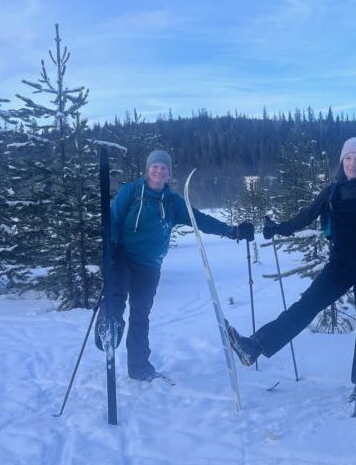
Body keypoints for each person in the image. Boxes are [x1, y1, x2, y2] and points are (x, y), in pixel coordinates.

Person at [226, 137, 356, 398]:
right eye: (348, 158)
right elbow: (305, 216)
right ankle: (254, 346)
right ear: (342, 161)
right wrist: (278, 228)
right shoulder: (331, 192)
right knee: (305, 307)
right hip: (339, 266)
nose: (352, 163)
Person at [96, 150, 254, 381]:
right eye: (155, 167)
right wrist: (110, 249)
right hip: (122, 255)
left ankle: (139, 367)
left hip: (149, 264)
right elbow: (114, 220)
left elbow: (200, 219)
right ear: (147, 169)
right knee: (116, 294)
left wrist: (232, 231)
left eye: (164, 168)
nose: (159, 171)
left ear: (169, 173)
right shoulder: (131, 192)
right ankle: (109, 325)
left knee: (141, 313)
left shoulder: (172, 203)